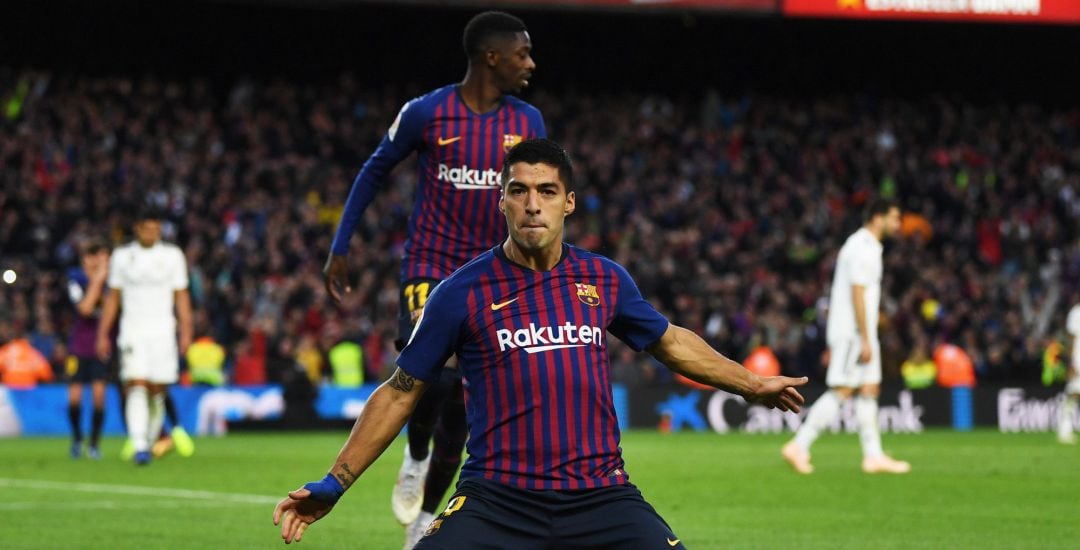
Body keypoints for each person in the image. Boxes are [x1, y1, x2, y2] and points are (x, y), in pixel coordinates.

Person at [275, 138, 808, 547]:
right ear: (500, 200)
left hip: (601, 497)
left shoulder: (604, 280)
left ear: (569, 202)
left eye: (547, 191)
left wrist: (752, 384)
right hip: (496, 500)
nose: (533, 204)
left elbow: (670, 343)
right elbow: (399, 391)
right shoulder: (458, 293)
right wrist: (333, 483)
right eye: (519, 190)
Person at [321, 10, 546, 542]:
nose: (530, 64)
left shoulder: (529, 123)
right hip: (432, 264)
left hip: (496, 272)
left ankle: (425, 521)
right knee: (435, 376)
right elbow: (374, 169)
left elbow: (544, 195)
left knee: (470, 404)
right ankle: (415, 453)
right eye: (523, 54)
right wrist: (340, 244)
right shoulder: (427, 113)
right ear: (492, 57)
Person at [782, 198, 911, 474]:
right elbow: (857, 292)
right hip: (852, 331)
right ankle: (799, 445)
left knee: (869, 387)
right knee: (843, 389)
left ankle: (873, 456)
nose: (898, 225)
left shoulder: (869, 246)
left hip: (861, 331)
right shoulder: (861, 247)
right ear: (878, 218)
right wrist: (866, 337)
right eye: (894, 218)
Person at [96, 206, 193, 465]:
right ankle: (139, 444)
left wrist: (186, 331)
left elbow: (181, 295)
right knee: (135, 384)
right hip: (133, 330)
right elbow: (113, 297)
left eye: (156, 228)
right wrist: (103, 333)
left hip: (163, 330)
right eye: (148, 228)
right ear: (137, 228)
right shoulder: (122, 256)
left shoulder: (172, 256)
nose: (153, 233)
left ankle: (149, 440)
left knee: (157, 389)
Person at [65, 239, 111, 459]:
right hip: (78, 347)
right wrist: (98, 280)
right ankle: (76, 439)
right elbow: (84, 308)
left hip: (100, 348)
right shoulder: (75, 278)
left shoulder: (112, 283)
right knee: (74, 398)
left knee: (99, 396)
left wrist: (102, 280)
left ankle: (94, 444)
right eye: (94, 258)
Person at [1058, 297, 1080, 444]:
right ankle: (1064, 429)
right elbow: (1071, 338)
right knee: (1074, 392)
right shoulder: (1076, 313)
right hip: (1078, 359)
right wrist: (1070, 362)